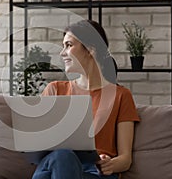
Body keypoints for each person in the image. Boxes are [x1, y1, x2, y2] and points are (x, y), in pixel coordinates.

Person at [32, 20, 140, 179]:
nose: (62, 53)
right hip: (54, 165)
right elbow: (38, 141)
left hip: (94, 172)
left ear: (91, 49)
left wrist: (108, 163)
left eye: (68, 45)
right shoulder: (55, 90)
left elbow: (125, 159)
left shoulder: (121, 96)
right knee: (63, 156)